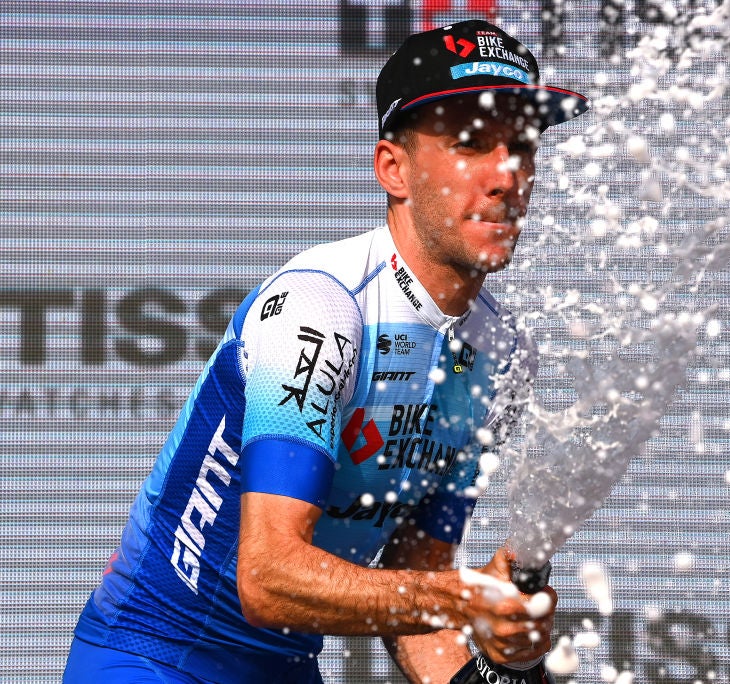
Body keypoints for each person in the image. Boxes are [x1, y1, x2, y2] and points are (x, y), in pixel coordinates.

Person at [63, 18, 588, 684]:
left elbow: (413, 577)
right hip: (154, 654)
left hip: (287, 665)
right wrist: (463, 598)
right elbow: (268, 576)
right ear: (393, 169)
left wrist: (497, 658)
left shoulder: (504, 353)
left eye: (521, 144)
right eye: (470, 143)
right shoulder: (322, 306)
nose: (505, 175)